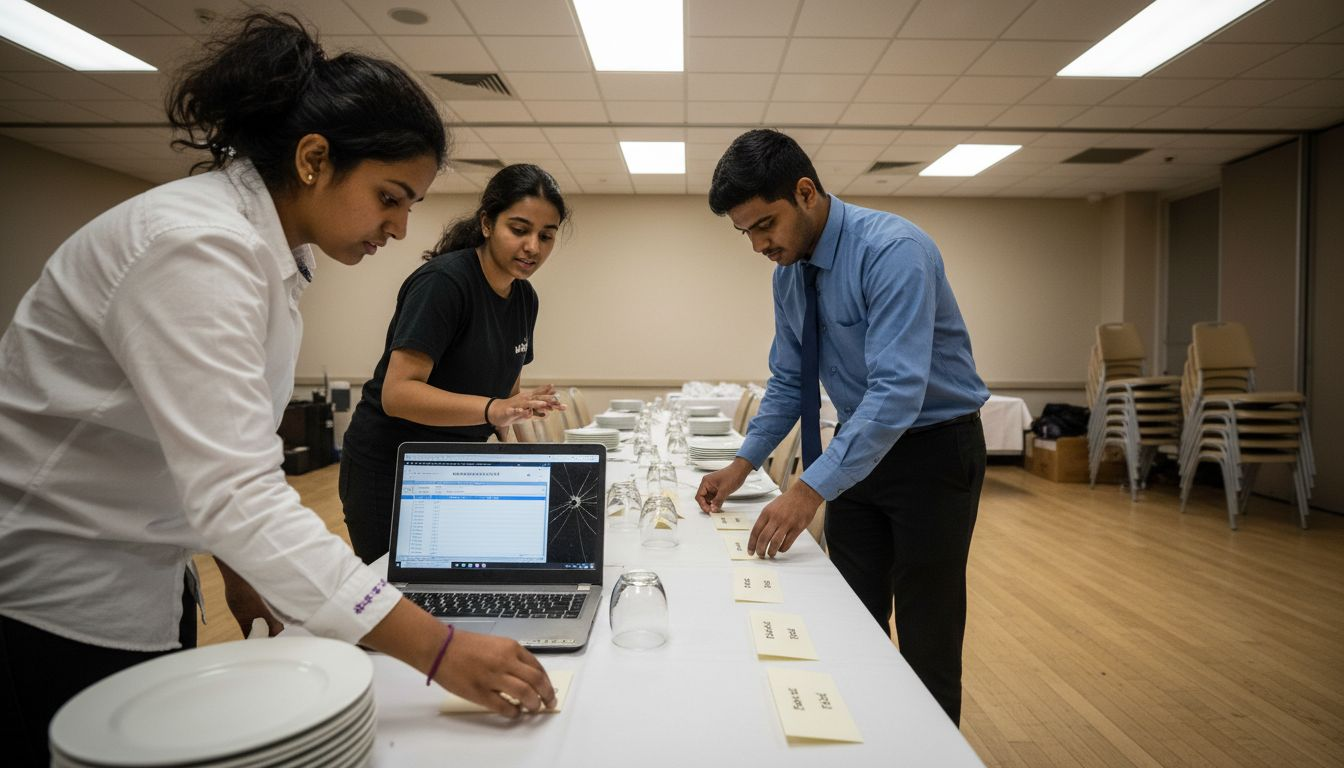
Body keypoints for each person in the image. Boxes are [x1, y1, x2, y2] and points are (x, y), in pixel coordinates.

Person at [0, 14, 552, 764]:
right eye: (390, 196)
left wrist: (241, 570)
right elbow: (237, 491)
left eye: (410, 206)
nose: (398, 226)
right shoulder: (193, 246)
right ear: (315, 158)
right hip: (54, 598)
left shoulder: (270, 260)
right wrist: (442, 649)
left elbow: (216, 450)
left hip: (149, 578)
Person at [694, 129, 989, 724]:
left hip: (933, 452)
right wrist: (742, 463)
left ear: (806, 193)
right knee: (850, 617)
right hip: (860, 451)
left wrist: (807, 489)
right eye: (745, 232)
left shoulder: (893, 251)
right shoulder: (788, 273)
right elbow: (787, 381)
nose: (756, 245)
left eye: (764, 225)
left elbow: (898, 391)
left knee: (928, 633)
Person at [339, 164, 569, 564]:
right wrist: (492, 407)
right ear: (486, 223)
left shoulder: (524, 299)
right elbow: (398, 394)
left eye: (546, 236)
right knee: (402, 599)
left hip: (458, 469)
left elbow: (506, 401)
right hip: (392, 469)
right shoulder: (444, 283)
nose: (533, 246)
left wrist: (537, 467)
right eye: (519, 230)